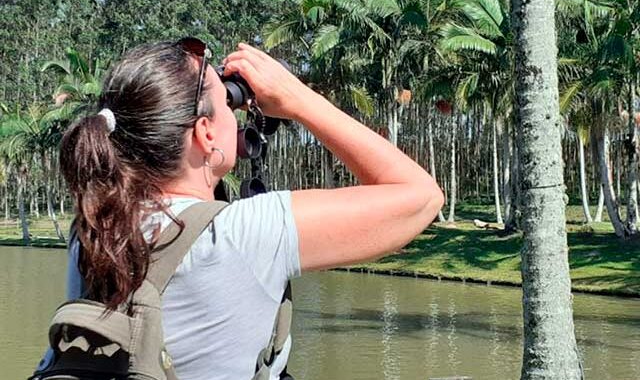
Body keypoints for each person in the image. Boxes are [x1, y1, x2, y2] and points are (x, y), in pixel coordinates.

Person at [53, 39, 444, 380]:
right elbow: (422, 197)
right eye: (228, 101)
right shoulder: (242, 236)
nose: (236, 109)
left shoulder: (92, 230)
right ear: (205, 133)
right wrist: (297, 98)